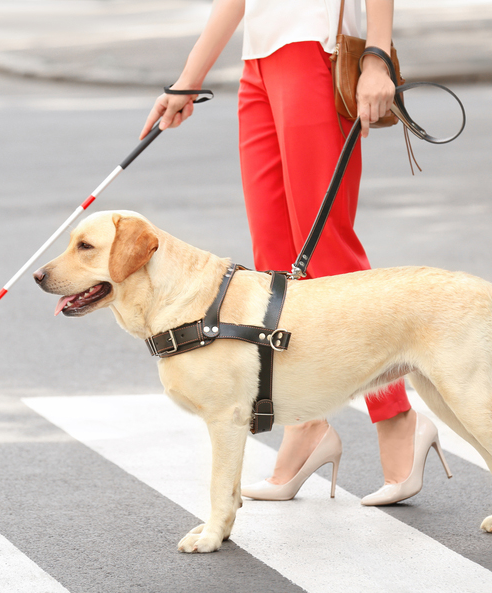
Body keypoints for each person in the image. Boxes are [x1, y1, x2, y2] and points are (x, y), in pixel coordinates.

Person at [140, 0, 449, 505]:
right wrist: (186, 81)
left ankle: (398, 422)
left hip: (316, 53)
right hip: (258, 62)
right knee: (274, 266)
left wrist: (377, 58)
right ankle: (306, 424)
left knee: (329, 254)